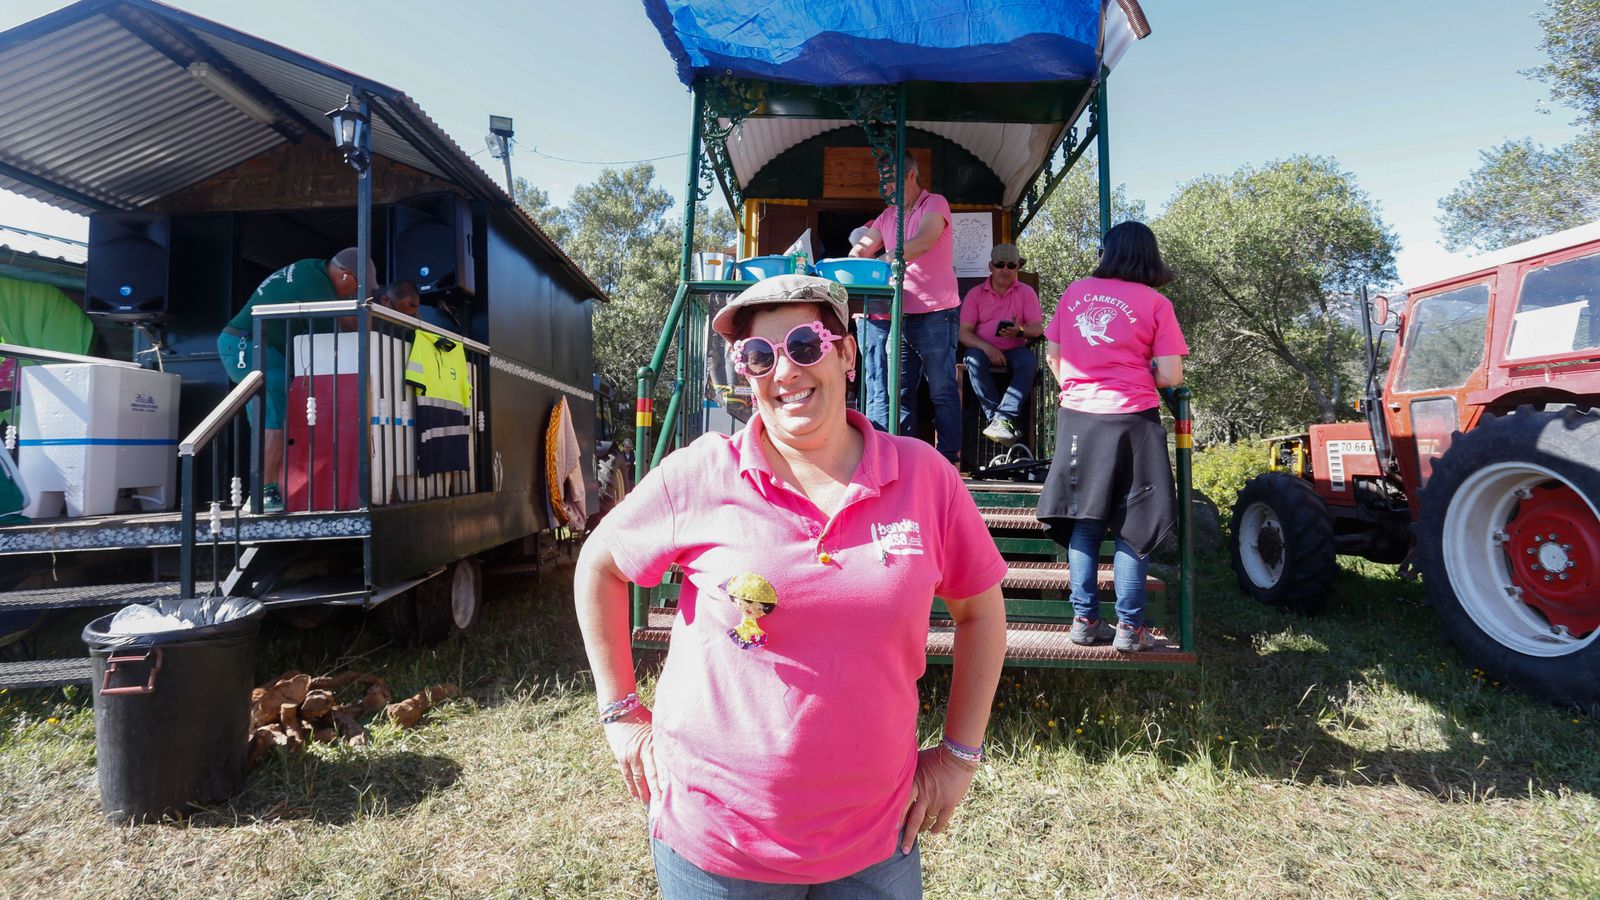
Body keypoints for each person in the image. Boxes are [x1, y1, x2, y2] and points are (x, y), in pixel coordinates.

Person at [575, 274, 1008, 896]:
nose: (783, 370)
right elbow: (599, 564)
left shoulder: (924, 476)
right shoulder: (702, 471)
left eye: (805, 344)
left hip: (878, 841)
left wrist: (960, 755)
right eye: (758, 355)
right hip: (717, 845)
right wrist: (620, 712)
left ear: (848, 353)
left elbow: (981, 613)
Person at [1035, 222, 1188, 653]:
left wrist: (1076, 388)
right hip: (1133, 422)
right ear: (1150, 255)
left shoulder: (1076, 291)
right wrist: (1143, 375)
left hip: (1079, 419)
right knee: (1132, 525)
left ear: (1109, 252)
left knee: (1084, 522)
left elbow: (1053, 353)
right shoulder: (1157, 303)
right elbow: (1172, 374)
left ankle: (1084, 621)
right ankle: (1129, 629)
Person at [217, 247, 374, 512]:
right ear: (347, 277)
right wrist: (369, 311)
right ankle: (264, 493)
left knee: (269, 420)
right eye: (359, 289)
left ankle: (257, 493)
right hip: (247, 344)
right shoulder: (317, 284)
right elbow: (349, 326)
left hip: (258, 347)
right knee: (274, 418)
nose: (356, 295)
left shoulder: (312, 266)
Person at [849, 153, 963, 465]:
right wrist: (853, 263)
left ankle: (949, 459)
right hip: (899, 315)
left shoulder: (934, 203)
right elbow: (859, 249)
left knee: (941, 390)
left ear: (911, 175)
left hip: (937, 313)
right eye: (882, 178)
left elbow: (924, 241)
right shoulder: (888, 215)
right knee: (898, 392)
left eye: (891, 177)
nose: (885, 184)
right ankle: (903, 459)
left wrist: (884, 258)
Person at [957, 243, 1044, 446]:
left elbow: (1037, 328)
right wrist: (988, 348)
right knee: (972, 359)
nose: (1005, 270)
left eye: (1011, 265)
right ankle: (1000, 420)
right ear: (991, 266)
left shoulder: (1026, 292)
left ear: (1017, 268)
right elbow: (963, 333)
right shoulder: (976, 294)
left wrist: (1020, 330)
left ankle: (1001, 419)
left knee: (1029, 361)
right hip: (982, 350)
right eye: (1000, 264)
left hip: (1015, 349)